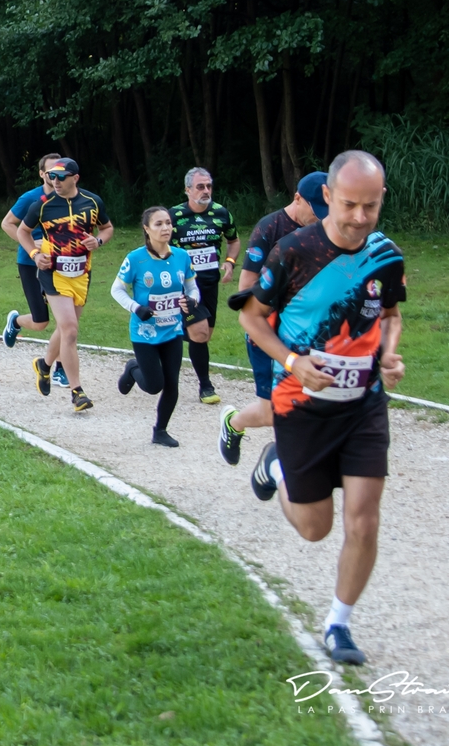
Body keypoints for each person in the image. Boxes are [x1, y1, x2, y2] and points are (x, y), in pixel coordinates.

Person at [239, 151, 405, 666]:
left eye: (370, 206)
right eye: (350, 204)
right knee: (315, 529)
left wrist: (389, 353)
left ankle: (338, 624)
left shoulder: (386, 254)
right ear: (328, 196)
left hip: (363, 405)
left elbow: (391, 313)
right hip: (301, 405)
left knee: (364, 521)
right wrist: (292, 360)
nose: (359, 217)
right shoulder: (292, 251)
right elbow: (251, 318)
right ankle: (276, 465)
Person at [219, 172, 329, 464]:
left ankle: (289, 468)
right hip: (267, 332)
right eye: (316, 211)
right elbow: (246, 287)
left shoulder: (325, 231)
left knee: (307, 405)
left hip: (308, 333)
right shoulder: (270, 227)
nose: (320, 218)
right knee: (271, 411)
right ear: (297, 198)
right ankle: (234, 423)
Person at [17, 158, 113, 412]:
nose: (55, 181)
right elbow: (22, 231)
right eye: (52, 176)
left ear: (75, 178)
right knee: (70, 330)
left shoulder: (92, 202)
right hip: (53, 273)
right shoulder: (42, 205)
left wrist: (98, 241)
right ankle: (77, 392)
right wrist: (35, 255)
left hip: (82, 273)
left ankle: (44, 365)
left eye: (61, 177)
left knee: (65, 329)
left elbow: (107, 228)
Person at [112, 207, 201, 447]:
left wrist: (192, 300)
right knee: (154, 386)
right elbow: (116, 290)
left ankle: (160, 431)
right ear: (147, 229)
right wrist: (136, 308)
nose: (165, 228)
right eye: (158, 224)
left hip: (173, 330)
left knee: (172, 383)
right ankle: (133, 368)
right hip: (145, 333)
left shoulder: (182, 256)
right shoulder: (135, 259)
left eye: (168, 223)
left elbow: (192, 288)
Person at [170, 168, 241, 405]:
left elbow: (234, 240)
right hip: (184, 285)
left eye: (209, 186)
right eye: (200, 186)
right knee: (199, 332)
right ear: (187, 189)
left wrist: (230, 262)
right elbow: (157, 245)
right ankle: (206, 386)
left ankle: (150, 354)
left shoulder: (221, 213)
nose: (206, 191)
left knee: (203, 335)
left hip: (210, 284)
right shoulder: (174, 215)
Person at [1, 153, 62, 349]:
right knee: (41, 322)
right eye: (51, 172)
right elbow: (7, 223)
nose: (56, 176)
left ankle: (59, 363)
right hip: (30, 263)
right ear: (42, 174)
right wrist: (31, 244)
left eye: (60, 171)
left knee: (65, 321)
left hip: (60, 264)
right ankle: (15, 322)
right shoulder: (30, 198)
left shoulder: (70, 198)